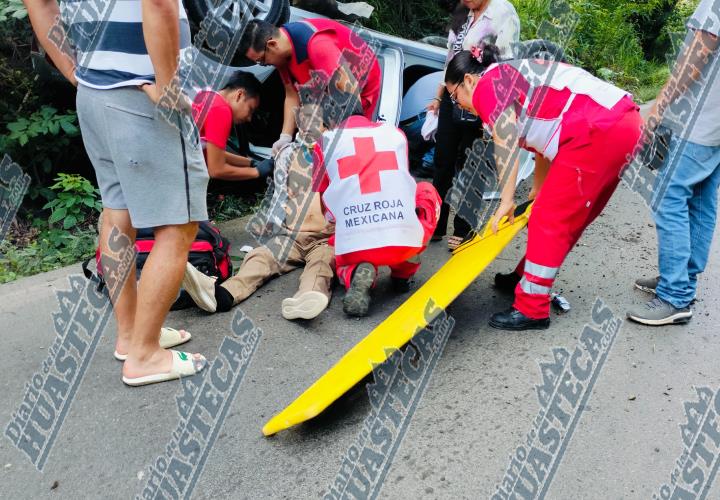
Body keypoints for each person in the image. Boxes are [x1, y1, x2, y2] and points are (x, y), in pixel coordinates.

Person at [25, 0, 208, 385]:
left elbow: (39, 2)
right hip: (142, 95)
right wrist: (168, 84)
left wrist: (74, 71)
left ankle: (131, 336)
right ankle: (144, 356)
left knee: (117, 212)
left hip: (95, 92)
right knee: (178, 225)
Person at [444, 46, 642, 330]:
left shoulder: (488, 85)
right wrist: (537, 187)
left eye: (455, 96)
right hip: (620, 126)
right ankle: (526, 278)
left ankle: (532, 308)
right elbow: (542, 141)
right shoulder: (508, 77)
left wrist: (506, 200)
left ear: (470, 81)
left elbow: (506, 141)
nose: (458, 105)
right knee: (564, 215)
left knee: (550, 218)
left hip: (597, 129)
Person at [627, 0, 720, 326]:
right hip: (715, 123)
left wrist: (658, 107)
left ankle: (675, 295)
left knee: (669, 197)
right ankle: (682, 281)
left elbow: (697, 55)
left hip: (700, 118)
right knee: (699, 200)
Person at [181, 142, 335, 320]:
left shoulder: (337, 151)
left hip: (325, 238)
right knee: (260, 257)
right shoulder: (291, 154)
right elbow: (280, 194)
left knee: (321, 265)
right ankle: (223, 294)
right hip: (290, 236)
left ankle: (307, 297)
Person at [313, 113, 441, 317]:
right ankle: (404, 267)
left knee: (342, 242)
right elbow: (400, 184)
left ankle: (355, 271)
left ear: (330, 123)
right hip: (402, 238)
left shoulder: (324, 143)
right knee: (425, 189)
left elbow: (328, 214)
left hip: (357, 245)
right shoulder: (395, 134)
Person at [428, 0, 520, 250]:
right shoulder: (462, 11)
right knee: (443, 159)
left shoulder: (503, 12)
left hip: (482, 93)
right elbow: (449, 59)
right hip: (453, 91)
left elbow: (505, 63)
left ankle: (463, 227)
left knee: (472, 162)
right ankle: (435, 221)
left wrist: (492, 112)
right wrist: (439, 96)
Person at [239, 18, 381, 156]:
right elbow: (291, 94)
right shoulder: (282, 52)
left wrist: (325, 133)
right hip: (327, 86)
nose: (265, 65)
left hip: (357, 91)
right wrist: (285, 137)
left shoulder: (317, 45)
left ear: (272, 45)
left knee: (347, 144)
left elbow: (348, 96)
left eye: (262, 61)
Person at [192, 71, 274, 182]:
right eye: (250, 109)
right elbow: (216, 170)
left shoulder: (207, 95)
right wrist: (257, 172)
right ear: (239, 95)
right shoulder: (221, 110)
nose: (249, 118)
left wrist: (251, 163)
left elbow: (214, 154)